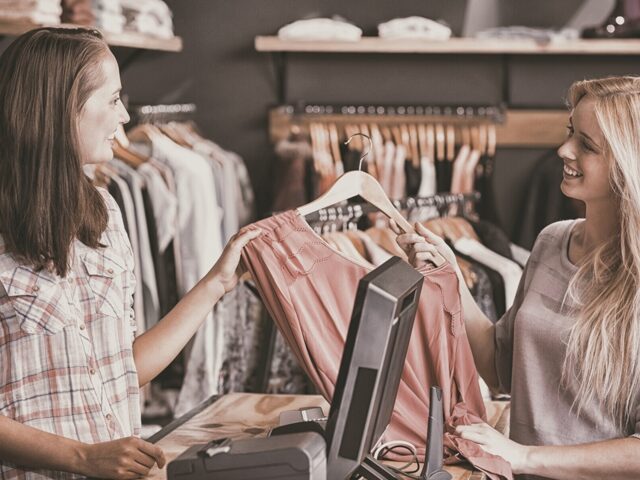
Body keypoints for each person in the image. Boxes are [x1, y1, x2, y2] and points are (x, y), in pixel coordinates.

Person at [0, 27, 261, 479]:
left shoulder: (103, 212)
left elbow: (124, 367)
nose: (125, 115)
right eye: (113, 98)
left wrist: (217, 282)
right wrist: (83, 458)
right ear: (62, 108)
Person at [394, 76, 640, 479]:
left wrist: (524, 457)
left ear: (629, 165)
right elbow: (500, 366)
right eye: (570, 133)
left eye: (587, 145)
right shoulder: (551, 241)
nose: (563, 150)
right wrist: (451, 279)